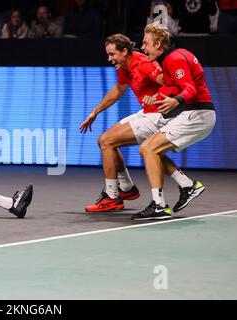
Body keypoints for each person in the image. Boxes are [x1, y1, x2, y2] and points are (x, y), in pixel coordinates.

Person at [80, 34, 198, 214]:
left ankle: (113, 197)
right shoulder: (124, 65)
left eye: (112, 54)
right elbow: (119, 89)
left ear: (125, 51)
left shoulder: (144, 64)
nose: (109, 59)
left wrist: (162, 98)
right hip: (147, 112)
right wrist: (96, 111)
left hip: (158, 115)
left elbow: (169, 81)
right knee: (107, 141)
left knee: (107, 141)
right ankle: (130, 188)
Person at [134, 22, 216, 220]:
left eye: (146, 44)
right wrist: (156, 97)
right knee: (151, 150)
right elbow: (172, 86)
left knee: (148, 149)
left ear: (159, 44)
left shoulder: (174, 59)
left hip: (198, 114)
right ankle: (188, 186)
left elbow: (189, 88)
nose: (143, 48)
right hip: (196, 113)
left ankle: (159, 205)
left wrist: (176, 100)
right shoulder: (173, 56)